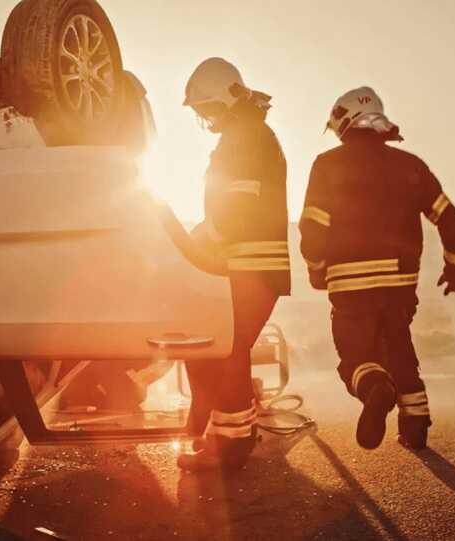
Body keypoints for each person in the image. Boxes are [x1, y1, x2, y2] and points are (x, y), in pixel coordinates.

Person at [300, 87, 455, 450]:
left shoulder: (326, 165)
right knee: (398, 345)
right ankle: (415, 423)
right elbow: (450, 220)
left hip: (348, 282)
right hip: (399, 281)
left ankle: (375, 389)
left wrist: (317, 269)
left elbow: (312, 227)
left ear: (343, 123)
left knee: (355, 356)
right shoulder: (410, 166)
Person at [177, 57, 291, 471]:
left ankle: (230, 446)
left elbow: (237, 206)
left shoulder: (244, 136)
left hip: (251, 263)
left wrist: (204, 239)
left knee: (225, 347)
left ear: (227, 98)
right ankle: (224, 428)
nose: (206, 118)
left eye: (207, 108)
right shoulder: (251, 132)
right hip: (254, 262)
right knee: (223, 345)